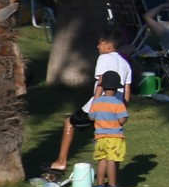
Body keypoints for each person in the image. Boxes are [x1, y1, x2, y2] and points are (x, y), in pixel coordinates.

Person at [43, 34, 134, 175]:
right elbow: (127, 90)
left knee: (69, 123)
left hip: (100, 103)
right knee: (112, 139)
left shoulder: (104, 58)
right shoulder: (125, 63)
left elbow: (101, 82)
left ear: (109, 45)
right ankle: (112, 178)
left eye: (101, 43)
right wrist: (122, 110)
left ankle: (61, 162)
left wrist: (95, 106)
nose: (98, 46)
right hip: (117, 107)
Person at [89, 70, 128, 187]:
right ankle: (112, 185)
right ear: (116, 88)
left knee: (102, 161)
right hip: (114, 136)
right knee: (112, 160)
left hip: (99, 136)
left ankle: (99, 186)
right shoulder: (118, 103)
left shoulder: (97, 102)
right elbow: (122, 119)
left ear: (103, 87)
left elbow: (91, 117)